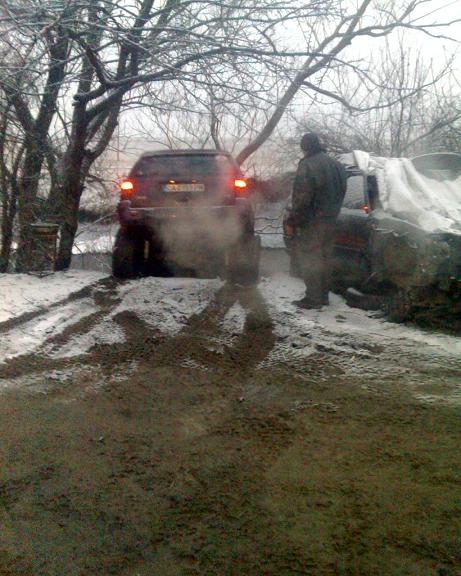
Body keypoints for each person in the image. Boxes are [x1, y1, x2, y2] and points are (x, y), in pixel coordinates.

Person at [291, 132, 347, 309]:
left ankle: (313, 299)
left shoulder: (308, 165)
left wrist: (296, 216)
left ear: (305, 147)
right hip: (332, 219)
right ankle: (323, 297)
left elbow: (302, 196)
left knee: (310, 258)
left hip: (312, 221)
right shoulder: (337, 165)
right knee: (325, 258)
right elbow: (343, 190)